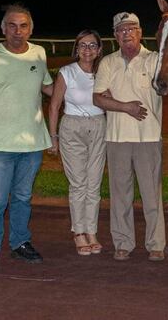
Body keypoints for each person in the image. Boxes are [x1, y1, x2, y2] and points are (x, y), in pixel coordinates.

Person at [0, 4, 53, 270]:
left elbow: (49, 87)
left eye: (23, 26)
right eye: (12, 26)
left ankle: (19, 243)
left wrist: (86, 89)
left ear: (31, 29)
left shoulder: (39, 54)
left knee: (23, 197)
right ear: (3, 29)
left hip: (32, 142)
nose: (18, 31)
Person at [92, 12, 166, 262]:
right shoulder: (108, 62)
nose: (126, 34)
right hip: (117, 137)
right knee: (120, 194)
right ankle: (123, 242)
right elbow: (97, 97)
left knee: (151, 194)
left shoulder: (155, 60)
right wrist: (125, 107)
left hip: (149, 137)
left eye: (131, 29)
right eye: (121, 30)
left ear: (140, 32)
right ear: (115, 35)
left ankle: (156, 243)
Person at [48, 29, 106, 256]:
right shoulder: (67, 72)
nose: (88, 49)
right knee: (78, 183)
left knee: (94, 184)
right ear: (76, 49)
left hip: (99, 125)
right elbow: (54, 105)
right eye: (83, 45)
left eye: (92, 45)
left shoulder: (103, 72)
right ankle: (78, 232)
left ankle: (91, 230)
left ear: (99, 49)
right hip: (72, 127)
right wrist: (53, 137)